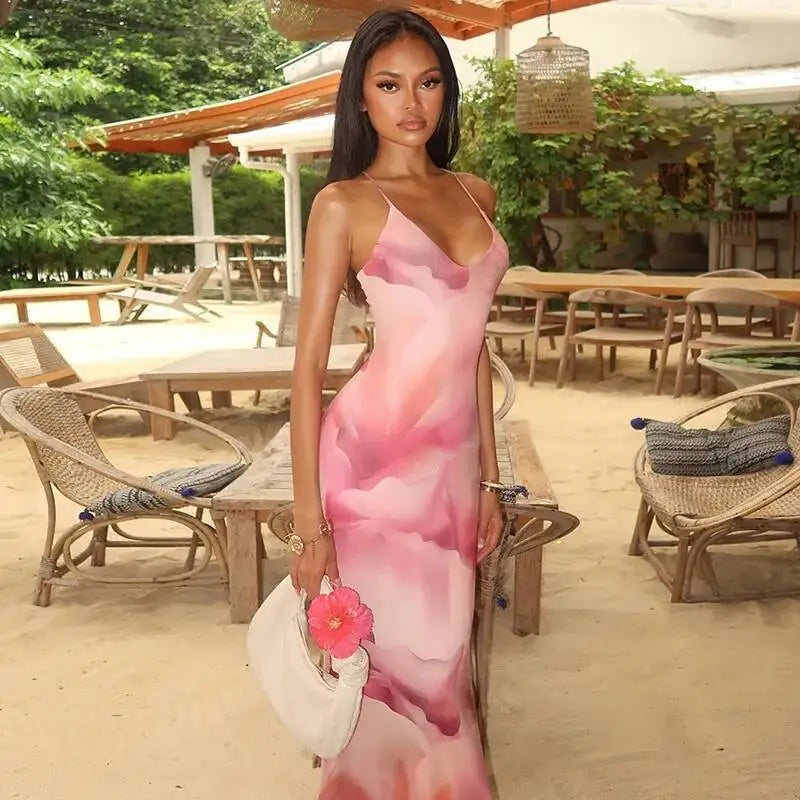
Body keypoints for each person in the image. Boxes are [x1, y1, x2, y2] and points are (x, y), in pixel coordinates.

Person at [289, 8, 509, 799]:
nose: (411, 103)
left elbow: (474, 346)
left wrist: (487, 481)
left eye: (427, 83)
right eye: (389, 85)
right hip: (371, 472)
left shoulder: (475, 192)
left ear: (446, 93)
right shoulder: (344, 204)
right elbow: (308, 368)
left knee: (445, 670)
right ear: (360, 100)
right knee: (389, 675)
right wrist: (310, 524)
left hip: (449, 477)